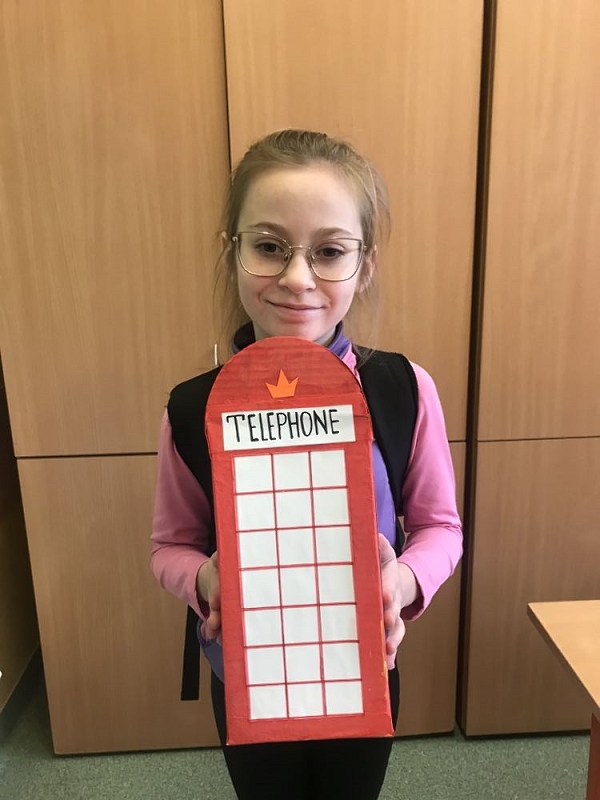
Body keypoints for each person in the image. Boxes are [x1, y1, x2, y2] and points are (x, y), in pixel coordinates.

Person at [151, 129, 463, 800]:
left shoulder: (404, 390)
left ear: (364, 265)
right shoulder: (193, 408)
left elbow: (441, 528)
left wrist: (402, 581)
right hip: (248, 675)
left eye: (329, 251)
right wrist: (204, 577)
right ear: (233, 252)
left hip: (363, 668)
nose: (297, 278)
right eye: (269, 246)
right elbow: (169, 546)